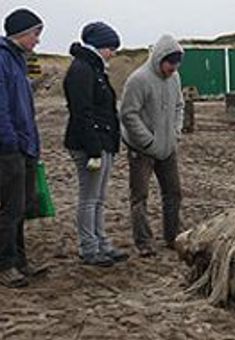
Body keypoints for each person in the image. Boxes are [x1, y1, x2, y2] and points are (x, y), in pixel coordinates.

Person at [63, 22, 129, 267]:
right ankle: (88, 246)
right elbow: (82, 112)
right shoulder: (82, 70)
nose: (113, 53)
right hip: (89, 144)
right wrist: (93, 149)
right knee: (89, 198)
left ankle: (101, 241)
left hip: (103, 142)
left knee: (99, 197)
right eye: (111, 48)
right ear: (99, 46)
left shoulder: (95, 69)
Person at [119, 35, 184, 257]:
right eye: (170, 63)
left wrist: (176, 131)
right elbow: (128, 114)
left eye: (176, 64)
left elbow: (179, 106)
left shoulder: (175, 78)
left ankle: (173, 235)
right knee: (140, 196)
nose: (173, 68)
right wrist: (147, 140)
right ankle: (143, 241)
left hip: (168, 147)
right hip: (142, 150)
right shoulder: (138, 80)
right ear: (159, 58)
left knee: (173, 192)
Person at [0, 7, 47, 288]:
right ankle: (6, 265)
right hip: (9, 149)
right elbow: (2, 108)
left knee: (22, 207)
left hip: (25, 146)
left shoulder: (18, 60)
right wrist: (10, 143)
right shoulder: (3, 59)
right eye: (35, 33)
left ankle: (19, 260)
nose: (38, 40)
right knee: (10, 208)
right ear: (20, 33)